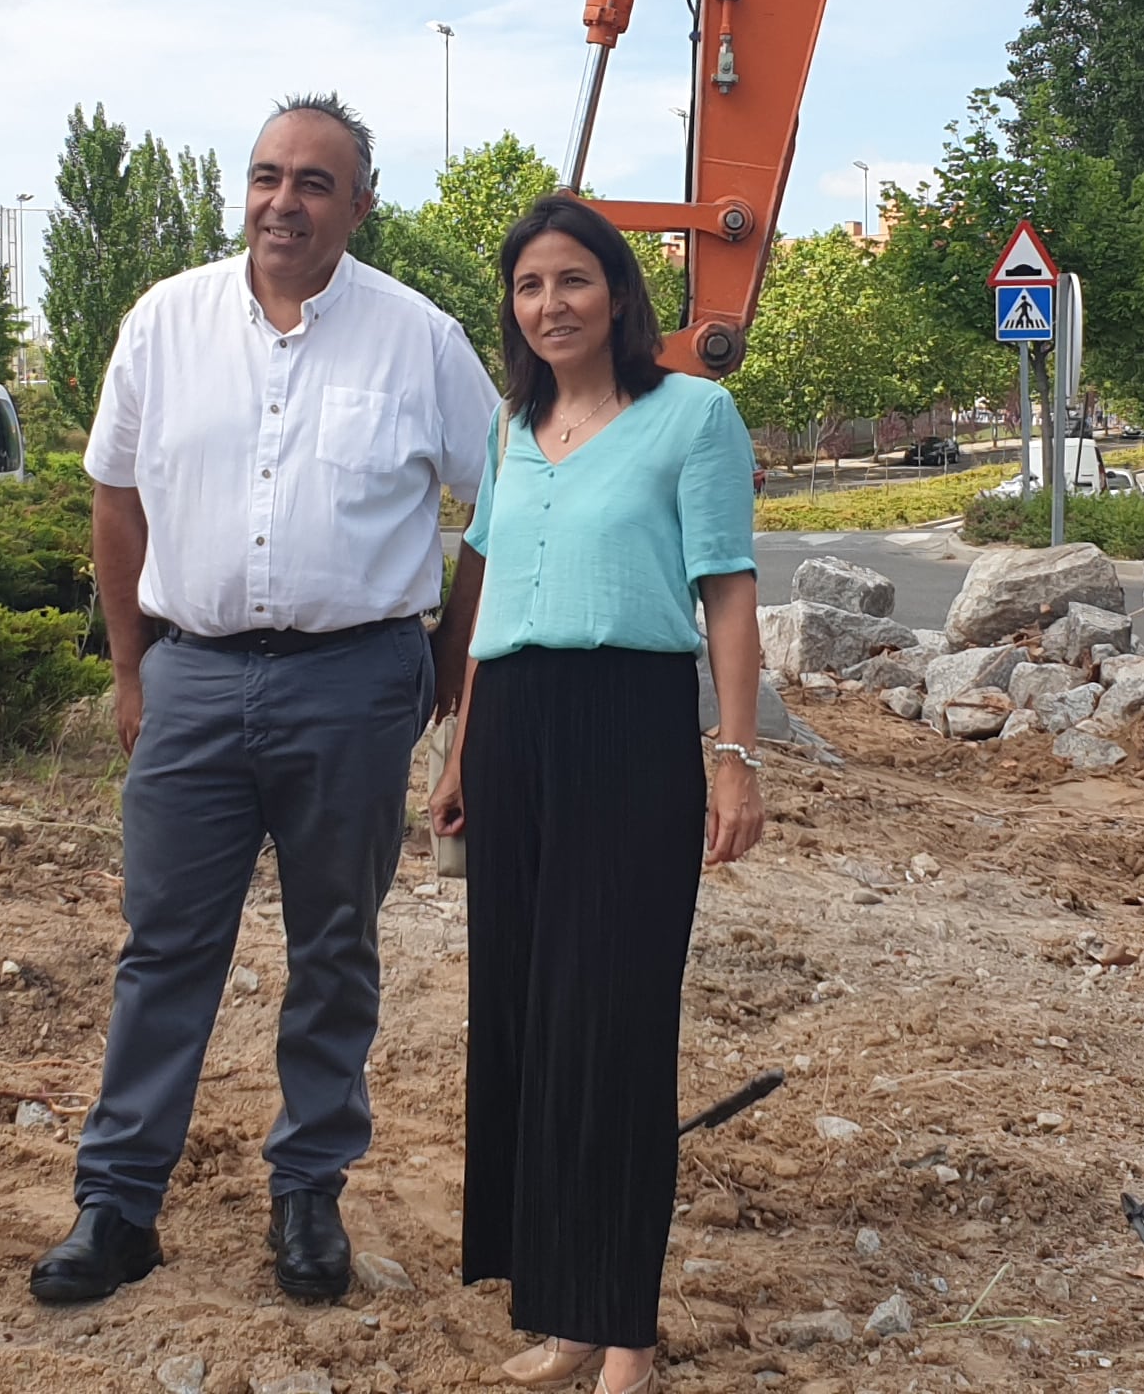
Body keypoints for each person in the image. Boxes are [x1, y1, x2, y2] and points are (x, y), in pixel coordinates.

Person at [29, 94, 501, 1309]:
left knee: (333, 949)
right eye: (265, 176)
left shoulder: (420, 339)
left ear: (359, 205)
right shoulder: (165, 322)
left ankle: (308, 1192)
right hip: (192, 672)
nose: (283, 201)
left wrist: (449, 667)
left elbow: (497, 504)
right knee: (164, 948)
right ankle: (120, 1203)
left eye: (313, 183)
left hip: (354, 683)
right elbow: (116, 496)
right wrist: (132, 665)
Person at [429, 197, 766, 1394]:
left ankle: (628, 1329)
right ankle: (563, 1311)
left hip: (630, 730)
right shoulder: (512, 431)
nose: (550, 304)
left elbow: (726, 594)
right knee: (524, 1022)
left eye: (573, 280)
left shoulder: (693, 416)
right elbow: (491, 602)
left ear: (619, 295)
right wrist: (463, 750)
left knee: (613, 1028)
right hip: (514, 731)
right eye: (528, 286)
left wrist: (735, 751)